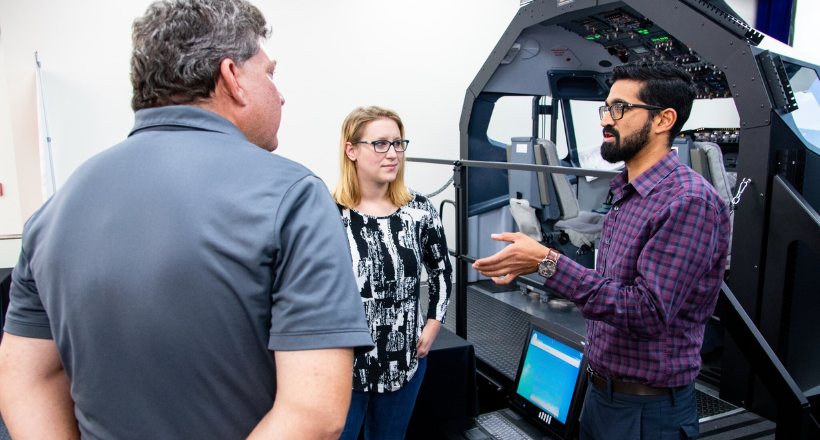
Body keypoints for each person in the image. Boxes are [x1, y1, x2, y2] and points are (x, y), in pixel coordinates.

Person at [0, 0, 374, 439]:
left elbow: (30, 379)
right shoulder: (292, 196)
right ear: (232, 78)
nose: (280, 92)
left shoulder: (54, 212)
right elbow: (313, 414)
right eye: (269, 73)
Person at [473, 61, 731, 440]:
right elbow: (610, 290)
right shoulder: (627, 191)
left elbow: (646, 312)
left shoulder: (688, 202)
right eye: (606, 108)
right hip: (599, 396)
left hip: (647, 413)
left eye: (620, 109)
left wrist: (548, 263)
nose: (605, 120)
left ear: (664, 120)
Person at [332, 106, 453, 440]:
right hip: (344, 369)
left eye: (399, 144)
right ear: (351, 150)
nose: (393, 154)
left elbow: (442, 272)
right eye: (381, 144)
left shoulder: (419, 210)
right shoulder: (329, 213)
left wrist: (433, 324)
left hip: (405, 363)